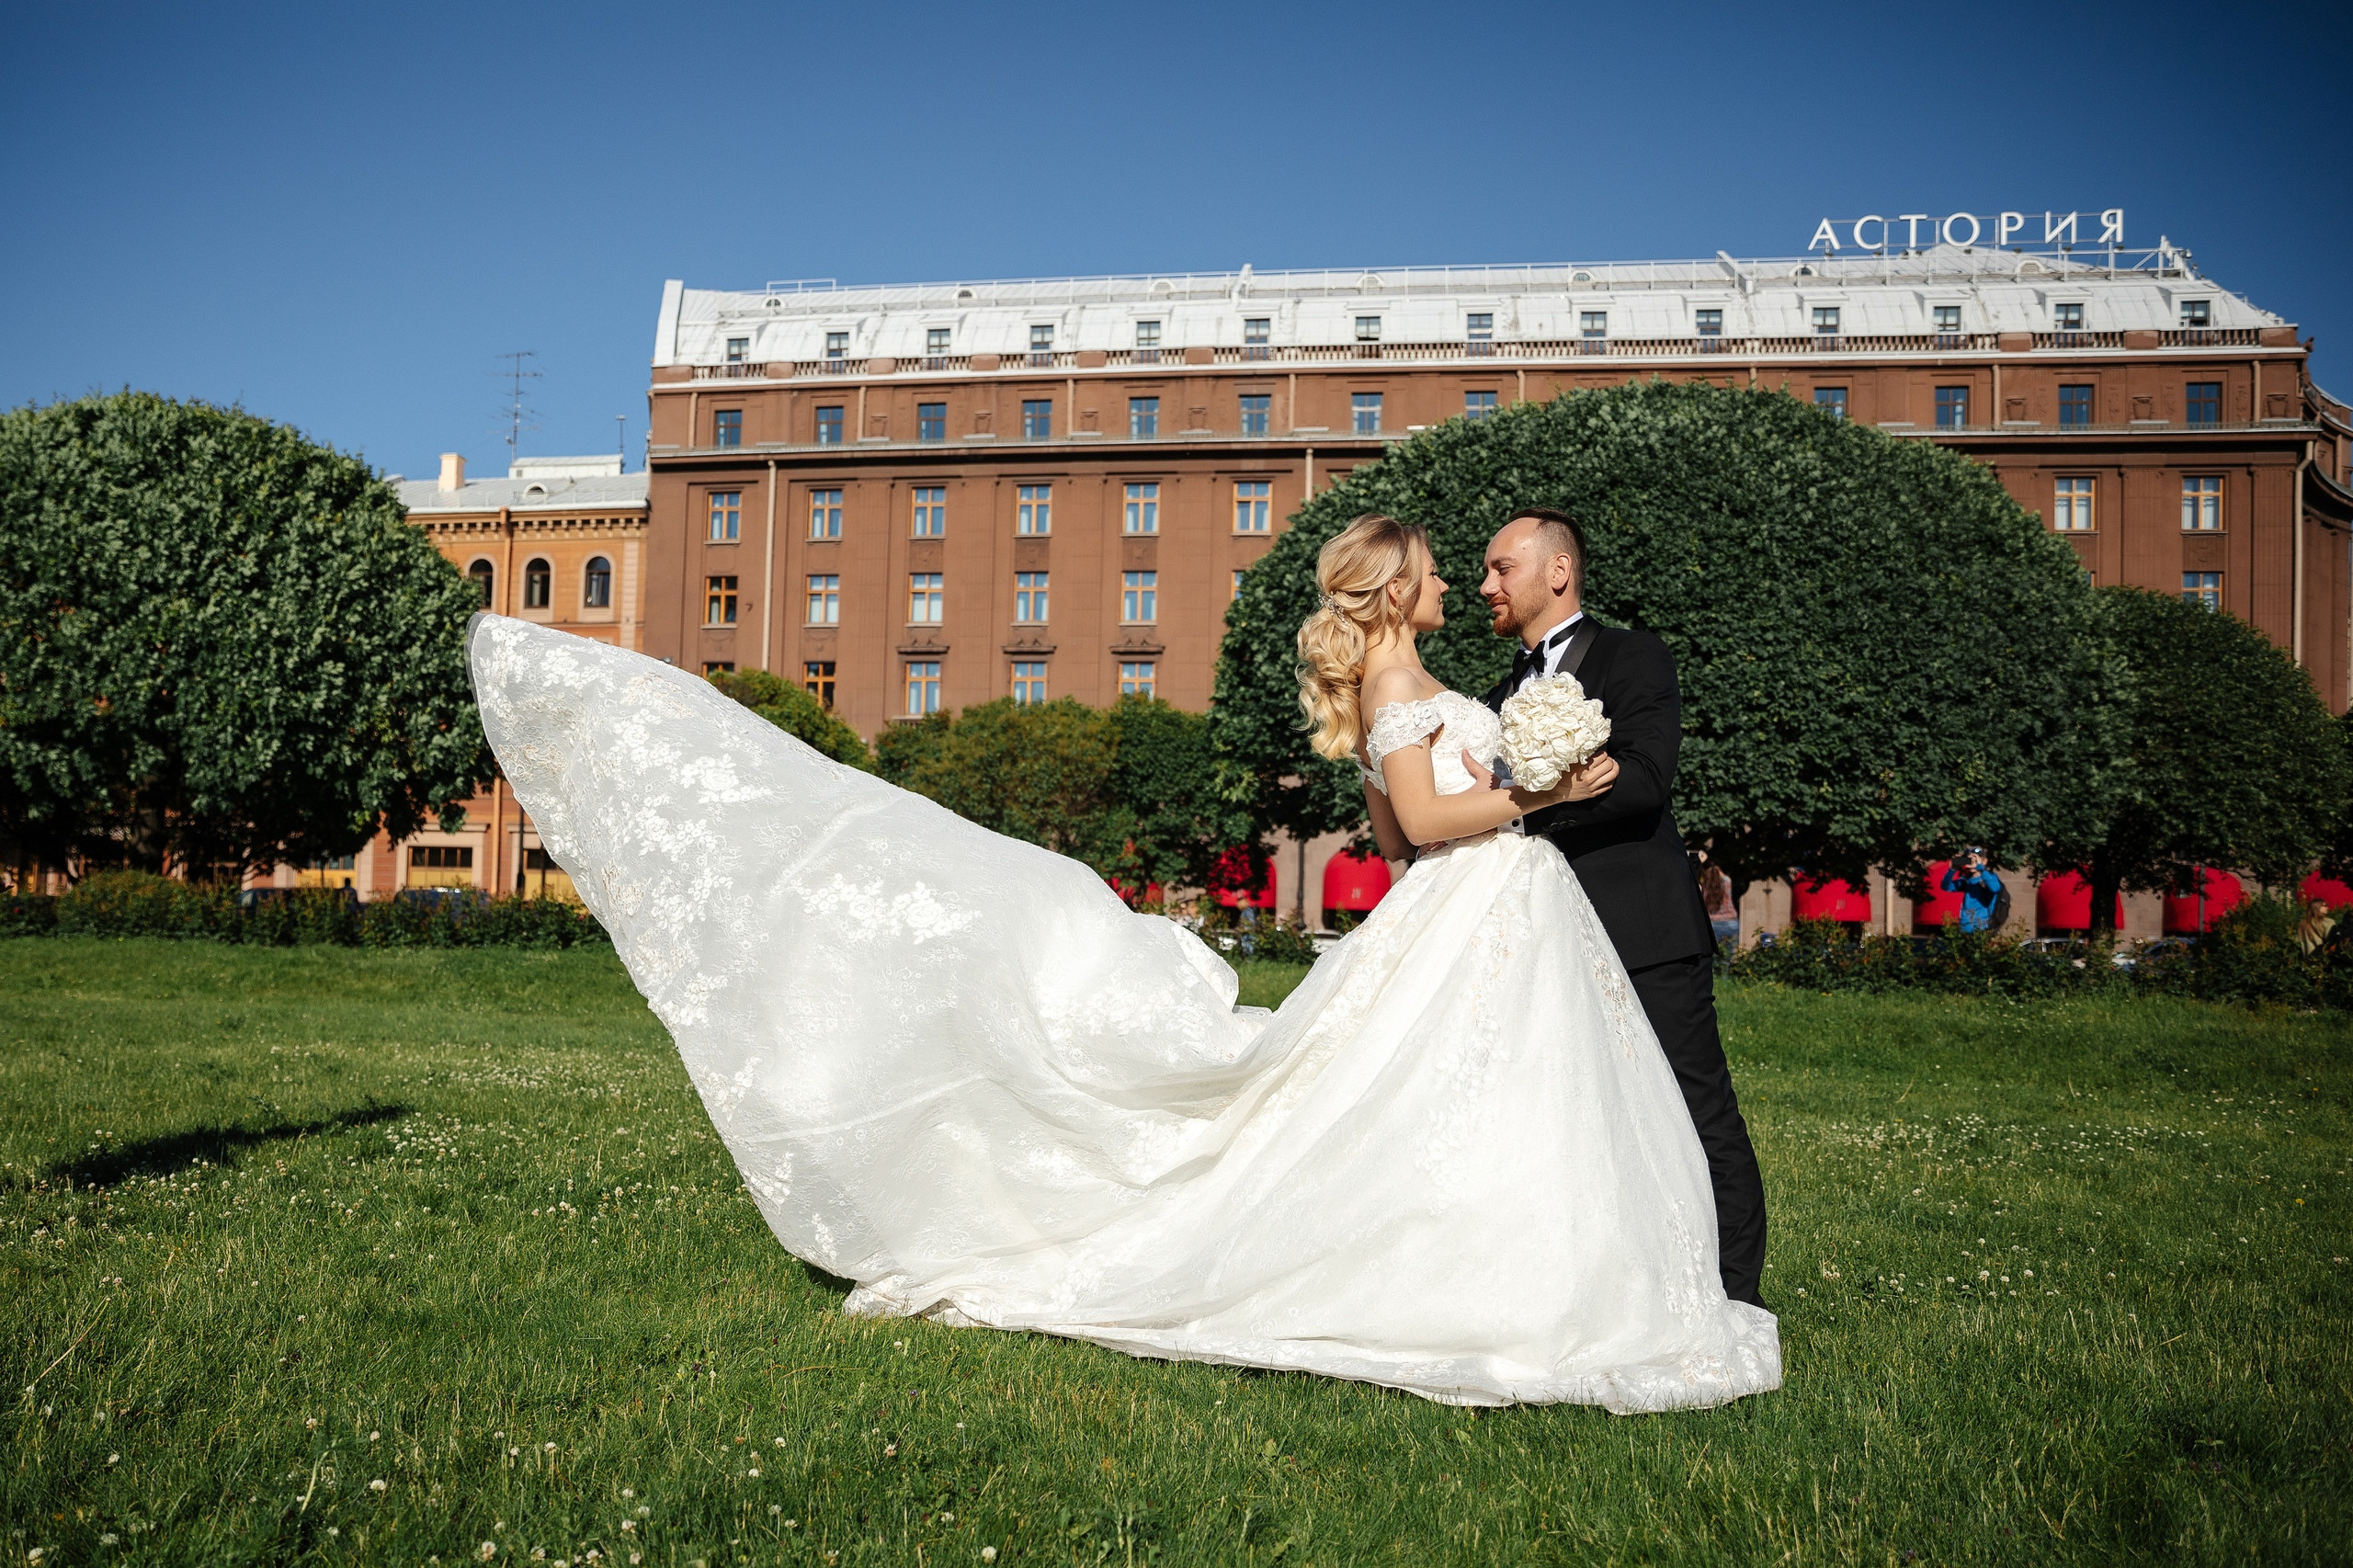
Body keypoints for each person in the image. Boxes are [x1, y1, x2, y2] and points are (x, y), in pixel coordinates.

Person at [465, 513, 1779, 1414]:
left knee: (1490, 1102)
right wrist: (1539, 792)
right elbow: (1422, 826)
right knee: (1449, 1100)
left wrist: (1519, 789)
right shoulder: (1396, 690)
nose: (1457, 582)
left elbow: (1392, 832)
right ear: (1395, 590)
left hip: (1492, 907)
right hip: (1480, 894)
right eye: (1442, 570)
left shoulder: (1409, 684)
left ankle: (1530, 1268)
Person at [1473, 508, 1770, 1311]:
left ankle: (1737, 1300)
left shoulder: (1634, 655)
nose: (1485, 584)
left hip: (1642, 932)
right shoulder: (1498, 695)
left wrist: (1532, 800)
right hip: (1546, 941)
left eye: (1501, 568)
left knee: (1697, 1110)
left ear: (1558, 571)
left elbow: (1642, 782)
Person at [1943, 849, 2003, 934]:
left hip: (1982, 927)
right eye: (1970, 859)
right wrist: (1952, 870)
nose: (1972, 862)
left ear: (1985, 861)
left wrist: (1980, 867)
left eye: (1975, 859)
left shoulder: (1990, 878)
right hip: (1965, 927)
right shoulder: (1967, 879)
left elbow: (1995, 888)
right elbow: (1946, 887)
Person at [1699, 855, 1739, 949]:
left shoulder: (1703, 884)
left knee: (1714, 956)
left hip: (1712, 922)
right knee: (1728, 956)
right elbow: (1723, 876)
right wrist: (1716, 868)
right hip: (1730, 922)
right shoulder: (1727, 881)